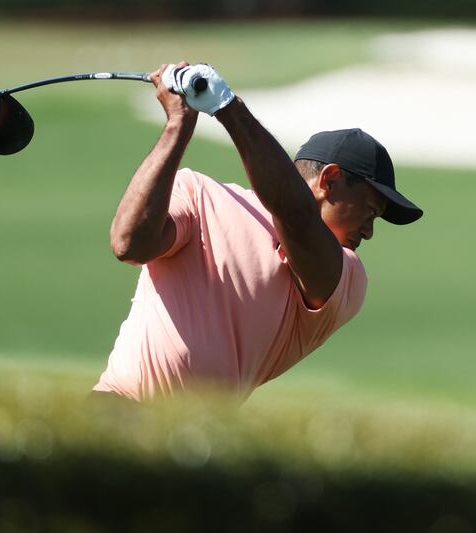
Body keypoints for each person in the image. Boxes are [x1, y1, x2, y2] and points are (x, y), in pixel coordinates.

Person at [92, 62, 423, 402]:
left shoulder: (348, 277)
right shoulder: (197, 193)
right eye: (369, 211)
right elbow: (129, 244)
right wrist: (177, 126)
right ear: (330, 180)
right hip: (115, 405)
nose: (369, 232)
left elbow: (296, 216)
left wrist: (228, 108)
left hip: (195, 438)